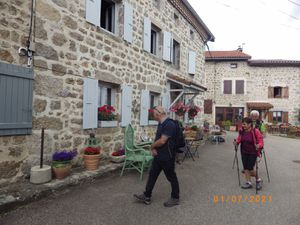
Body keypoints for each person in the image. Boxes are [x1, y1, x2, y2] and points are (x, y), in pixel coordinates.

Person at [134, 105, 180, 207]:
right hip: (159, 156)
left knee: (171, 177)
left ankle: (175, 198)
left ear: (157, 113)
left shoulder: (169, 124)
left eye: (153, 113)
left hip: (167, 157)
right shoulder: (161, 124)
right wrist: (154, 148)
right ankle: (147, 195)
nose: (152, 115)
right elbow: (158, 139)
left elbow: (163, 141)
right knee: (152, 175)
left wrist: (151, 147)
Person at [234, 117, 264, 189]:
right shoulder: (242, 131)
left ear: (250, 124)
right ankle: (248, 182)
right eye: (242, 124)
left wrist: (259, 145)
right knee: (245, 168)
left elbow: (261, 141)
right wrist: (236, 142)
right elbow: (239, 139)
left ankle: (259, 180)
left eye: (244, 124)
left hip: (253, 152)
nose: (243, 126)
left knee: (250, 168)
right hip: (244, 151)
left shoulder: (255, 131)